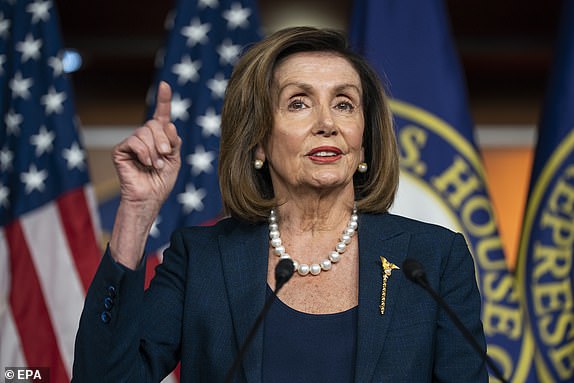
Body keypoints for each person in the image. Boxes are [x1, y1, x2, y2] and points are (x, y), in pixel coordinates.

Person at [72, 26, 488, 382]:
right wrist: (136, 212)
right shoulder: (201, 260)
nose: (327, 123)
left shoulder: (432, 260)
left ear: (364, 144)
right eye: (298, 103)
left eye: (344, 104)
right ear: (258, 140)